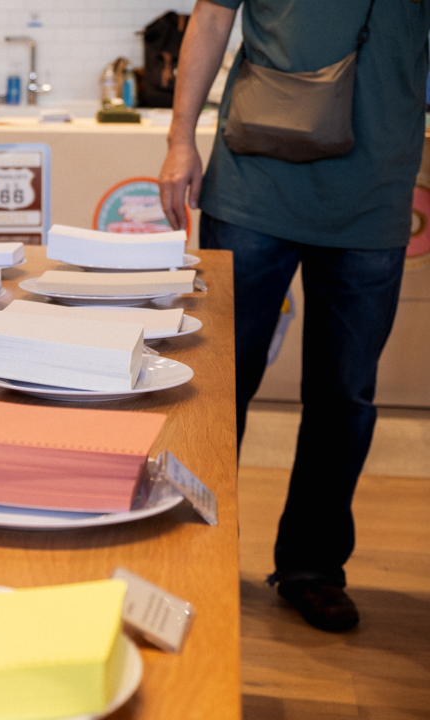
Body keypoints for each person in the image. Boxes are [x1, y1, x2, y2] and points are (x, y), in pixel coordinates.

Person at [159, 0, 430, 631]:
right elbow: (212, 16)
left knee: (344, 394)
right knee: (218, 387)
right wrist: (179, 140)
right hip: (255, 181)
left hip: (376, 191)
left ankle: (312, 566)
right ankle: (193, 546)